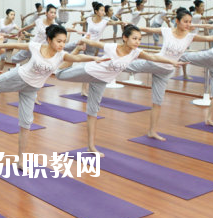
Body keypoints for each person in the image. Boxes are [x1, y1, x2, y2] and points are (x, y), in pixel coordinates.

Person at [0, 25, 105, 169]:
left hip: (32, 89)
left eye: (64, 41)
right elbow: (18, 45)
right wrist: (0, 46)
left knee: (26, 123)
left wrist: (94, 58)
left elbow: (77, 57)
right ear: (49, 39)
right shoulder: (36, 47)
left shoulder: (61, 55)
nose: (62, 45)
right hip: (18, 77)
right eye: (59, 41)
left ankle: (21, 161)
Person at [55, 25, 184, 156]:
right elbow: (95, 43)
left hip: (101, 81)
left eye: (139, 39)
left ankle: (91, 147)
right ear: (125, 38)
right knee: (59, 74)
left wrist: (172, 62)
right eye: (134, 38)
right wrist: (83, 41)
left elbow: (154, 57)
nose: (137, 42)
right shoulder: (112, 47)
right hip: (89, 71)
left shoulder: (136, 52)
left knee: (93, 112)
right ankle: (76, 51)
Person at [127, 9, 213, 141]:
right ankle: (107, 62)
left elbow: (209, 38)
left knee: (157, 103)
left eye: (190, 22)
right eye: (185, 21)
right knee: (123, 66)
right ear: (177, 21)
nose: (188, 24)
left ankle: (152, 131)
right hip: (155, 63)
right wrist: (131, 26)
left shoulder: (189, 36)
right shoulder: (167, 31)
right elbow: (148, 29)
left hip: (166, 72)